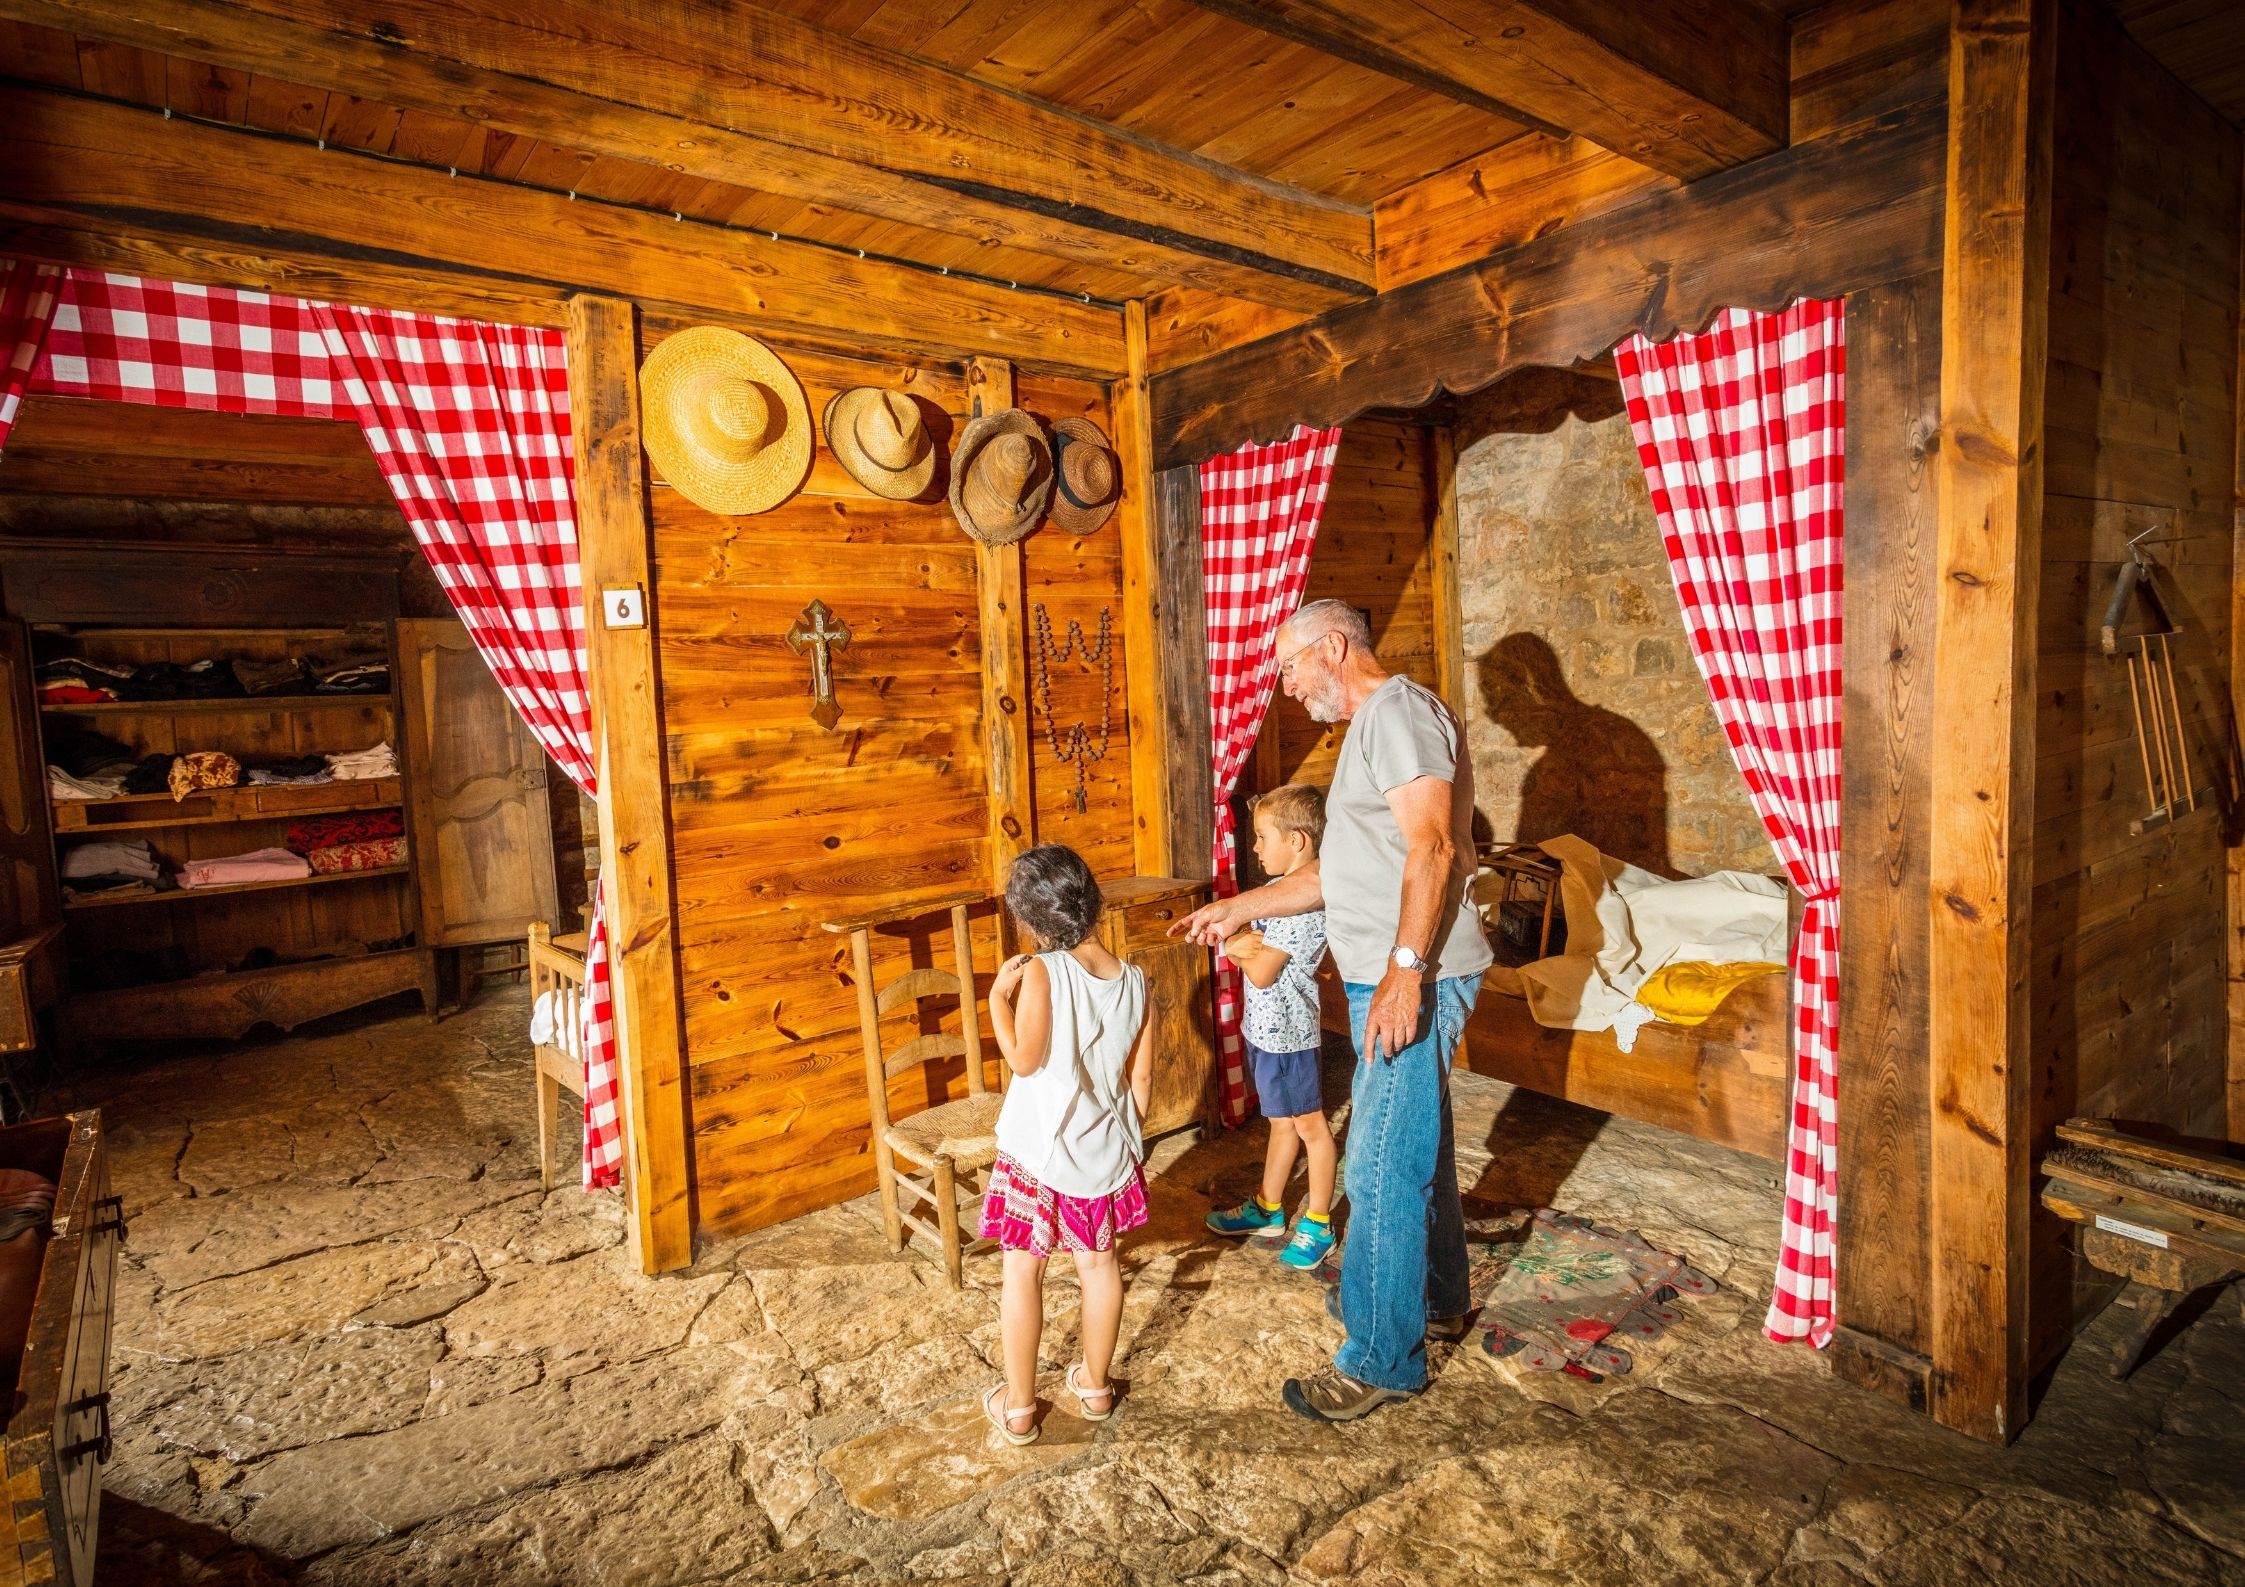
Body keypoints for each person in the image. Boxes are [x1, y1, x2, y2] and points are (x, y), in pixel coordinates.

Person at [1173, 600, 1491, 1423]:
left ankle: (1381, 1357)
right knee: (1418, 1142)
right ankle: (1435, 1300)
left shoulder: (1397, 713)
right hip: (1384, 970)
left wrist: (1404, 971)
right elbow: (1342, 872)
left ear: (1333, 648)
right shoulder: (1372, 729)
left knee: (1378, 1164)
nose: (1283, 687)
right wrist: (1242, 905)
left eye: (1288, 667)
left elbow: (1435, 849)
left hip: (1409, 970)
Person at [978, 844, 1155, 1447]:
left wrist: (995, 1002)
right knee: (1100, 1267)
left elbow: (1024, 1061)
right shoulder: (1138, 982)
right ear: (1094, 901)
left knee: (1022, 1272)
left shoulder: (1042, 973)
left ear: (1028, 920)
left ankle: (1021, 1407)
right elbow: (1142, 1083)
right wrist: (1125, 1144)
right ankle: (1096, 1386)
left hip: (1038, 1153)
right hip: (1103, 1152)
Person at [1204, 783, 1337, 1271]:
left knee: (1312, 1128)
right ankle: (1268, 1208)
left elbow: (1260, 968)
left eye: (1261, 837)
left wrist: (1234, 946)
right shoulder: (1279, 901)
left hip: (1290, 1039)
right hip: (1266, 1031)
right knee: (1281, 1124)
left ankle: (1319, 1222)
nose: (1255, 847)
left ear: (1297, 841)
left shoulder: (1301, 906)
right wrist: (1244, 940)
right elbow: (1255, 947)